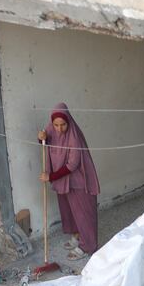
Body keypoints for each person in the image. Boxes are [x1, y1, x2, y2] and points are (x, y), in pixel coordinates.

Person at [37, 103, 100, 259]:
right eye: (56, 125)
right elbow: (48, 141)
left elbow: (73, 164)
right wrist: (41, 138)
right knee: (69, 212)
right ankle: (77, 236)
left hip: (78, 180)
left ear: (69, 121)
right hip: (62, 181)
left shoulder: (74, 136)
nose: (59, 129)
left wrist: (50, 177)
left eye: (63, 124)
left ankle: (88, 245)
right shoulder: (51, 129)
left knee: (83, 212)